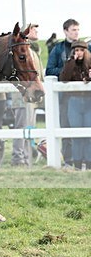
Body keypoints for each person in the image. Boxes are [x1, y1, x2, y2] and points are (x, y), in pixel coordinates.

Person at [46, 19, 85, 166]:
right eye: (73, 29)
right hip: (65, 97)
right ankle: (69, 160)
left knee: (86, 128)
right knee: (66, 128)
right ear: (65, 31)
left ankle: (85, 160)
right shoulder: (58, 49)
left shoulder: (87, 48)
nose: (76, 32)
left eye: (77, 30)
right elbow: (49, 70)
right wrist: (66, 72)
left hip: (85, 96)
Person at [10, 24, 44, 166]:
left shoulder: (32, 51)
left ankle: (26, 155)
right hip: (22, 95)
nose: (37, 32)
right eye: (34, 30)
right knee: (21, 126)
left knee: (30, 127)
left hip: (33, 94)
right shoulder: (23, 52)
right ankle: (18, 157)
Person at [59, 40, 91, 169]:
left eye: (81, 50)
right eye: (76, 50)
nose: (79, 53)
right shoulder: (69, 64)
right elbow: (64, 79)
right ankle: (77, 164)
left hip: (89, 101)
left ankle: (89, 164)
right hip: (74, 101)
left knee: (89, 134)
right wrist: (71, 61)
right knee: (76, 135)